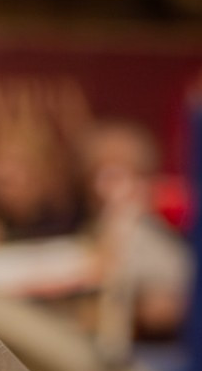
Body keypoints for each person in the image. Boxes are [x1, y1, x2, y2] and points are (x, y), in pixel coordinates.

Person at [77, 120, 193, 347]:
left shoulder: (171, 215)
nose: (111, 184)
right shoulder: (87, 223)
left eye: (121, 173)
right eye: (102, 173)